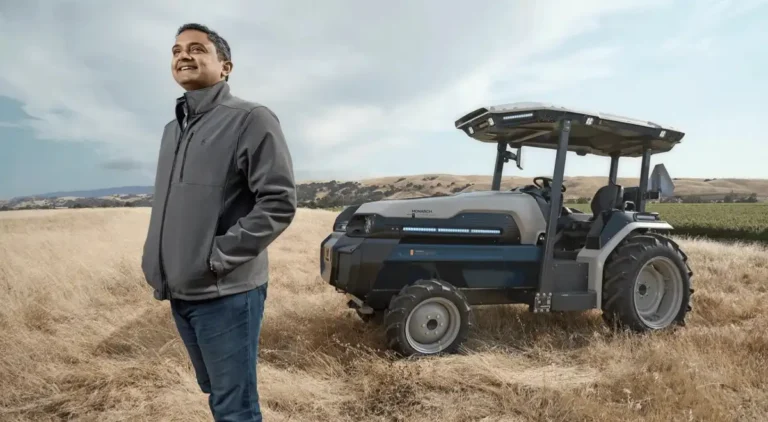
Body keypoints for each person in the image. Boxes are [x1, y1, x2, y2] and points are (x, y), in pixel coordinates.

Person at [141, 23, 297, 421]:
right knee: (214, 391)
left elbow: (278, 202)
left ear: (225, 66)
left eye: (197, 48)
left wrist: (217, 256)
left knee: (234, 406)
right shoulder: (170, 131)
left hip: (226, 293)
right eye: (176, 51)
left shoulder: (251, 119)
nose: (183, 56)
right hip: (179, 292)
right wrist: (155, 264)